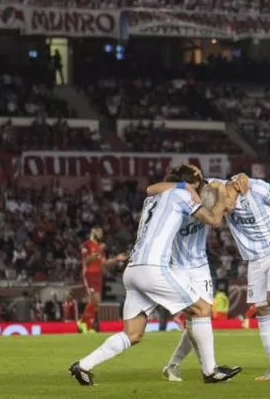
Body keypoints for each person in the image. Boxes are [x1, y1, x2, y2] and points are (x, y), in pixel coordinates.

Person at [69, 165, 240, 386]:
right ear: (193, 181)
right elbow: (215, 221)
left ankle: (83, 366)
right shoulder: (181, 194)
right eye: (199, 177)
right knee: (202, 309)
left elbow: (153, 189)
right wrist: (218, 198)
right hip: (152, 267)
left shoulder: (154, 198)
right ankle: (210, 371)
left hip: (133, 270)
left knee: (133, 334)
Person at [144, 177, 222, 382]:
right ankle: (209, 369)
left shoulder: (207, 193)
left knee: (201, 318)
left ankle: (174, 365)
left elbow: (223, 187)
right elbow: (151, 189)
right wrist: (181, 186)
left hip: (201, 267)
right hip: (178, 267)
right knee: (198, 315)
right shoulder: (176, 201)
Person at [223, 173, 270, 381]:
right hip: (254, 258)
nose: (224, 210)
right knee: (261, 308)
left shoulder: (257, 188)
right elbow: (200, 179)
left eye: (226, 203)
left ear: (231, 193)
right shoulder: (218, 189)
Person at [78, 225, 128, 333]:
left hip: (98, 275)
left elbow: (104, 262)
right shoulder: (87, 245)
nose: (101, 234)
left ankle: (86, 325)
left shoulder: (99, 247)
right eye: (99, 232)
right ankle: (83, 322)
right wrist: (97, 253)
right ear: (93, 232)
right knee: (94, 300)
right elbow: (86, 260)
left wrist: (116, 258)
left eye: (101, 232)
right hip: (89, 274)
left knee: (96, 302)